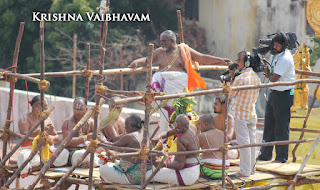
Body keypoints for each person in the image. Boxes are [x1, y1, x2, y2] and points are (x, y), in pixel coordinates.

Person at [128, 30, 232, 134]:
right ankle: (165, 145)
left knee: (183, 116)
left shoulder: (183, 50)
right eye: (161, 41)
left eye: (164, 41)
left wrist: (220, 60)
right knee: (164, 116)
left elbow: (201, 57)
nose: (161, 44)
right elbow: (147, 60)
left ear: (172, 40)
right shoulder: (159, 52)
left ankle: (185, 140)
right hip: (164, 94)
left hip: (180, 94)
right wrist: (136, 62)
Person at [258, 33, 295, 163]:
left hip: (284, 94)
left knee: (281, 127)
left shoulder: (285, 58)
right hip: (274, 92)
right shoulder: (275, 56)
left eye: (277, 45)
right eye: (273, 45)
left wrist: (268, 74)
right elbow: (269, 72)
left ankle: (281, 157)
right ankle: (265, 155)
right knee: (269, 125)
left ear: (284, 46)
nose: (274, 47)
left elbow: (273, 77)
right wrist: (262, 59)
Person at [17, 95, 66, 178]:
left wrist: (51, 138)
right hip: (30, 150)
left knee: (64, 153)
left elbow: (57, 138)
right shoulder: (25, 118)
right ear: (36, 106)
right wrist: (40, 130)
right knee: (23, 156)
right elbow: (24, 135)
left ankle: (40, 166)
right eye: (45, 108)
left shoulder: (48, 120)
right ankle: (41, 164)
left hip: (47, 150)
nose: (46, 110)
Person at [229, 51, 261, 177]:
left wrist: (232, 76)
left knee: (244, 144)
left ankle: (245, 171)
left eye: (239, 60)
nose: (236, 62)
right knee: (252, 144)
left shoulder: (240, 78)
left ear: (246, 63)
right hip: (252, 114)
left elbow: (231, 93)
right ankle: (251, 169)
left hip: (241, 115)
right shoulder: (256, 78)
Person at [146, 114, 200, 186]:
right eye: (175, 127)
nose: (176, 130)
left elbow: (180, 165)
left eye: (178, 129)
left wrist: (162, 164)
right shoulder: (191, 126)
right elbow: (169, 133)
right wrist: (158, 137)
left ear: (186, 127)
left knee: (146, 175)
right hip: (195, 171)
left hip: (185, 176)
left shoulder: (182, 139)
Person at [100, 114, 154, 185]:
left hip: (133, 176)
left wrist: (101, 140)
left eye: (126, 126)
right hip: (143, 172)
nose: (125, 128)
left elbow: (112, 146)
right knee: (114, 163)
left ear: (131, 125)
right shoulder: (145, 135)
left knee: (103, 169)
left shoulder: (130, 136)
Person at [61, 97, 100, 168]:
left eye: (81, 110)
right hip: (74, 153)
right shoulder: (67, 123)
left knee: (103, 153)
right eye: (75, 109)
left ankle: (90, 162)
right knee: (81, 154)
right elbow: (67, 141)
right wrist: (86, 137)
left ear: (86, 109)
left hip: (89, 151)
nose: (78, 112)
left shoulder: (91, 122)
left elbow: (99, 136)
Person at [197, 114, 230, 179]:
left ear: (205, 124)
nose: (198, 127)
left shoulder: (202, 135)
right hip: (225, 170)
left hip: (210, 170)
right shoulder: (223, 133)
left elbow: (194, 153)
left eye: (199, 124)